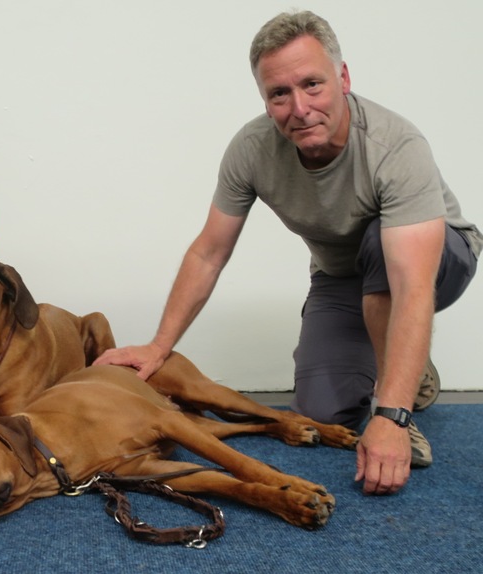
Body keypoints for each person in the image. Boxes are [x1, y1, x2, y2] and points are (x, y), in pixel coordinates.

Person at [95, 11, 481, 496]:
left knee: (380, 248)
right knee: (321, 411)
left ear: (343, 78)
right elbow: (209, 253)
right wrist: (158, 346)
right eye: (279, 94)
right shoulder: (252, 149)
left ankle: (397, 389)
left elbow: (411, 285)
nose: (299, 108)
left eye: (312, 85)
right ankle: (409, 363)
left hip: (436, 258)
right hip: (342, 276)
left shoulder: (394, 146)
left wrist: (391, 416)